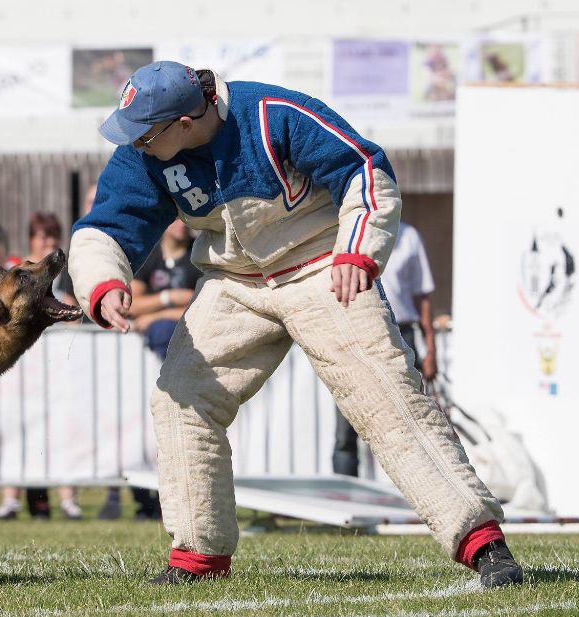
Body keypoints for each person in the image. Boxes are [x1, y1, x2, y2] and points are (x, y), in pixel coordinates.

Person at [68, 61, 523, 588]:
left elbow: (365, 170)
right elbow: (103, 227)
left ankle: (484, 545)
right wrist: (103, 283)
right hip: (235, 282)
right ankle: (198, 559)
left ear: (185, 124)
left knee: (386, 398)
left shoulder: (274, 113)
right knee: (180, 399)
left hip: (323, 266)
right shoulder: (146, 151)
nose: (136, 146)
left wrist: (357, 253)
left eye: (146, 135)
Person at [98, 217, 201, 521]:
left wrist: (162, 311)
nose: (181, 223)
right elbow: (131, 305)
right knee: (143, 432)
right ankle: (145, 500)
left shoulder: (199, 253)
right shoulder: (150, 255)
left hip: (185, 367)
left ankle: (182, 506)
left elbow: (204, 303)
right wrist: (173, 299)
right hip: (147, 372)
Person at [0, 212, 83, 521]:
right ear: (31, 240)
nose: (48, 243)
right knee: (13, 430)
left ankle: (68, 500)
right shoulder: (19, 271)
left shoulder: (63, 274)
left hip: (53, 369)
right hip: (19, 369)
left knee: (60, 431)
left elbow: (76, 312)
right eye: (42, 237)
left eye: (52, 236)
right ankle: (10, 499)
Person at [333, 221, 437, 477]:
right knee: (347, 428)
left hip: (401, 334)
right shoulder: (343, 235)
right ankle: (343, 505)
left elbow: (422, 297)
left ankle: (419, 495)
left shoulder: (410, 236)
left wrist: (432, 351)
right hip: (356, 333)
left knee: (410, 422)